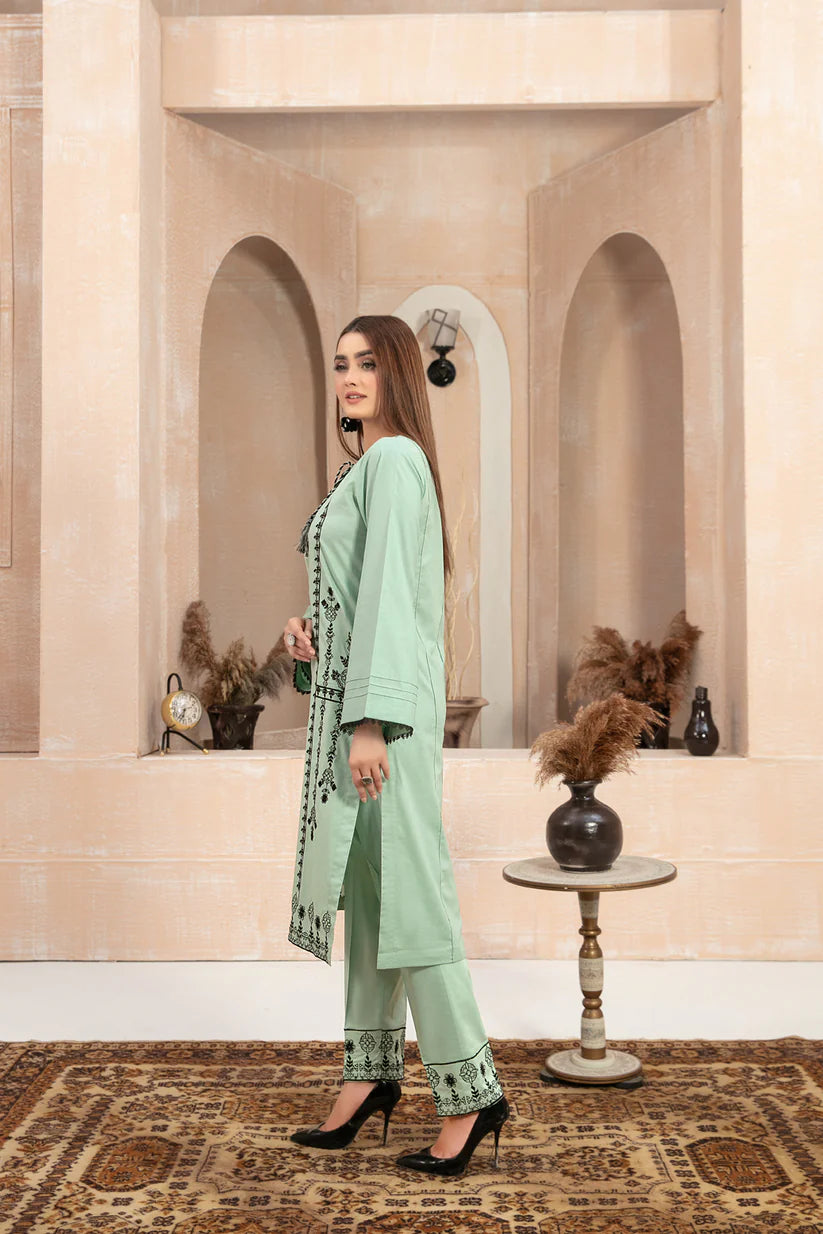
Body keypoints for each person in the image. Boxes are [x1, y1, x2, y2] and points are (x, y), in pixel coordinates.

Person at [283, 314, 509, 1177]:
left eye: (368, 363)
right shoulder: (364, 468)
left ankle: (471, 1093)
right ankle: (368, 1073)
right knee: (372, 898)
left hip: (385, 723)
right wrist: (309, 642)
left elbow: (388, 600)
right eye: (341, 363)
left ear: (398, 373)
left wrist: (371, 722)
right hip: (359, 710)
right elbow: (356, 601)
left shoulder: (395, 460)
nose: (349, 377)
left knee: (410, 898)